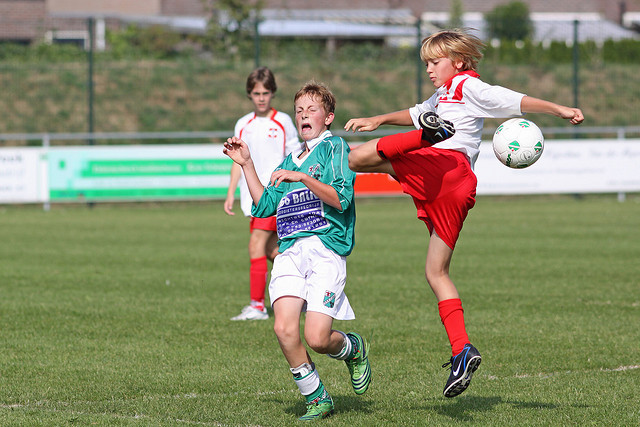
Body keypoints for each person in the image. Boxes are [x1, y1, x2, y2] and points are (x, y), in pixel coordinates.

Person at [345, 28, 584, 398]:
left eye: (434, 62)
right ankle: (461, 349)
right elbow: (416, 112)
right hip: (456, 188)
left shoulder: (467, 86)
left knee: (358, 157)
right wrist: (378, 119)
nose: (429, 68)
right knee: (435, 271)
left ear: (457, 62)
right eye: (425, 62)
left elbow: (513, 100)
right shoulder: (442, 94)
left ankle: (428, 137)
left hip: (443, 164)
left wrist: (558, 109)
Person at [223, 81, 371, 420]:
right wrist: (246, 164)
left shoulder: (335, 149)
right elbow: (264, 208)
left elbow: (340, 199)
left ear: (328, 117)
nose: (304, 115)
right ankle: (316, 396)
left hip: (325, 250)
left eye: (312, 109)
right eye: (299, 110)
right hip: (289, 252)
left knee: (317, 338)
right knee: (283, 329)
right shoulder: (289, 160)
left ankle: (352, 348)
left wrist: (302, 178)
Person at [224, 67, 301, 321]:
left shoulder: (283, 122)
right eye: (256, 93)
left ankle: (257, 307)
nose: (261, 98)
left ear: (273, 93)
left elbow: (293, 158)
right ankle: (304, 291)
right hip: (251, 199)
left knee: (256, 245)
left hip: (273, 197)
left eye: (266, 92)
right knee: (272, 251)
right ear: (249, 94)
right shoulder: (243, 124)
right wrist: (231, 192)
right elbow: (238, 161)